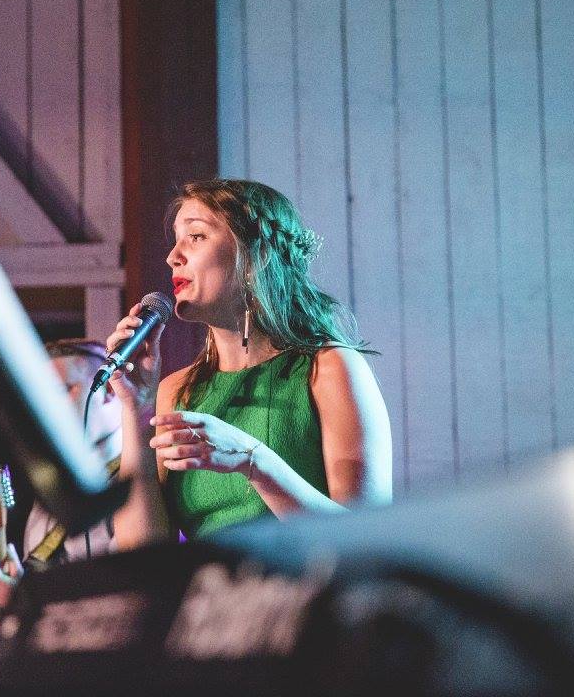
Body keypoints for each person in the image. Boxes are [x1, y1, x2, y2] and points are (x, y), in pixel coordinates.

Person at [105, 178, 392, 546]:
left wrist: (252, 460)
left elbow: (366, 538)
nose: (172, 256)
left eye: (196, 236)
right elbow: (141, 552)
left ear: (256, 254)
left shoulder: (330, 368)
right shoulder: (176, 391)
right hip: (214, 599)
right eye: (176, 239)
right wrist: (137, 409)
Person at [0, 338, 121, 608]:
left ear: (110, 389)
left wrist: (20, 602)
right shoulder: (55, 490)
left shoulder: (139, 480)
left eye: (63, 390)